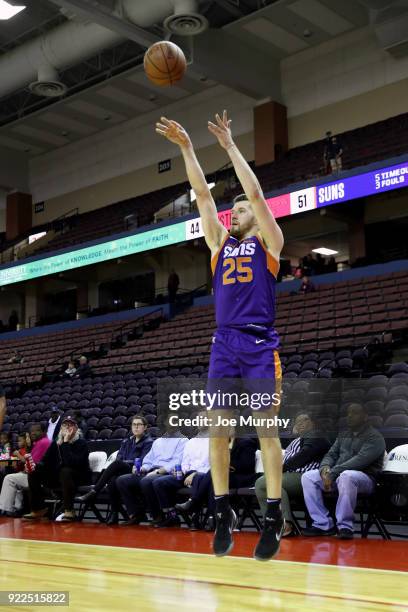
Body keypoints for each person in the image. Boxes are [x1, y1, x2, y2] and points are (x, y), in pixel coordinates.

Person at [156, 110, 284, 561]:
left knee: (267, 431)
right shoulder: (219, 246)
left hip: (259, 343)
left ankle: (273, 514)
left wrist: (230, 147)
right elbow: (202, 196)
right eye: (234, 209)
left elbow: (254, 191)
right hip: (225, 344)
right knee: (217, 432)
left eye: (242, 209)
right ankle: (223, 509)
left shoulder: (269, 244)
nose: (236, 210)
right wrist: (188, 148)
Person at [301, 403, 386, 539]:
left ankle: (345, 527)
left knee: (347, 476)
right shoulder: (344, 435)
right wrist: (325, 469)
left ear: (365, 416)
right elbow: (331, 455)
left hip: (366, 479)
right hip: (337, 476)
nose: (350, 416)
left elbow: (360, 461)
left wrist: (332, 473)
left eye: (355, 413)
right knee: (308, 477)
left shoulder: (375, 437)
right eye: (348, 413)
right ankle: (323, 524)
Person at [255, 413, 331, 537]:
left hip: (305, 476)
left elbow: (303, 456)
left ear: (313, 423)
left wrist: (280, 469)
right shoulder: (296, 440)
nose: (300, 423)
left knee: (263, 483)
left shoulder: (316, 436)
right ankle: (279, 524)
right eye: (297, 421)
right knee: (267, 485)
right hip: (290, 475)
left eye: (304, 420)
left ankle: (282, 523)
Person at [77, 415, 153, 525]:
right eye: (134, 424)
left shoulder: (148, 442)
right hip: (124, 470)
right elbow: (119, 457)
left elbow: (142, 460)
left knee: (117, 464)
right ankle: (116, 515)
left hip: (137, 471)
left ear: (145, 427)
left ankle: (95, 491)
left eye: (139, 425)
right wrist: (124, 462)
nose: (136, 427)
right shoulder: (127, 441)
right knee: (112, 480)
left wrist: (126, 462)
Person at [176, 433, 258, 530]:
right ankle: (212, 519)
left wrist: (228, 464)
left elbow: (247, 465)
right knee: (214, 480)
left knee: (214, 475)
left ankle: (194, 502)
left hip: (241, 477)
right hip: (224, 476)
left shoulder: (247, 442)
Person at [116, 418, 187, 525]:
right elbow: (149, 460)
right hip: (151, 472)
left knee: (147, 481)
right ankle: (136, 513)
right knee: (122, 480)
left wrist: (159, 471)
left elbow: (178, 461)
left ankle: (158, 515)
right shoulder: (158, 441)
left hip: (167, 472)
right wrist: (142, 468)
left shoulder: (183, 440)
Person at [23, 416, 91, 522]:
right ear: (61, 429)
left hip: (79, 477)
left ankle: (69, 510)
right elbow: (45, 461)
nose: (67, 427)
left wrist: (66, 442)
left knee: (65, 471)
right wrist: (34, 466)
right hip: (61, 478)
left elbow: (72, 463)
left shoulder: (82, 443)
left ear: (76, 428)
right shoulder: (56, 444)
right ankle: (38, 509)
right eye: (65, 425)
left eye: (71, 425)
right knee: (33, 473)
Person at [152, 412, 210, 527]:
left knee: (198, 478)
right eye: (198, 419)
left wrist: (194, 474)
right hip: (186, 475)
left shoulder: (214, 441)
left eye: (203, 419)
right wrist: (180, 471)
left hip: (203, 475)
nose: (199, 421)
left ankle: (195, 518)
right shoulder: (191, 441)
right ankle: (172, 515)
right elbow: (185, 462)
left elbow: (212, 466)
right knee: (159, 482)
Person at [0, 425, 50, 517]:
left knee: (9, 478)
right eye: (31, 432)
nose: (33, 434)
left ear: (44, 432)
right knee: (9, 477)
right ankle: (11, 509)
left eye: (37, 431)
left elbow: (33, 465)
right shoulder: (37, 443)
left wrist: (24, 467)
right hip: (34, 475)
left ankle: (6, 509)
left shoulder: (43, 442)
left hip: (38, 477)